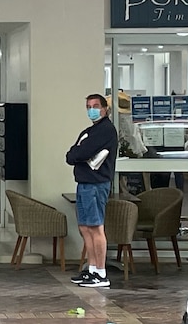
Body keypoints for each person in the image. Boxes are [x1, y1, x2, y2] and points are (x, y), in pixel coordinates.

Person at [66, 94, 118, 288]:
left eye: (96, 106)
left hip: (96, 184)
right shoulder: (91, 130)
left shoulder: (105, 130)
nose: (91, 110)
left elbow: (80, 152)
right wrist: (76, 153)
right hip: (84, 183)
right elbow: (72, 154)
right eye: (88, 106)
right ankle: (92, 269)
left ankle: (101, 273)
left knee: (96, 227)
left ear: (105, 108)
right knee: (85, 227)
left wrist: (77, 152)